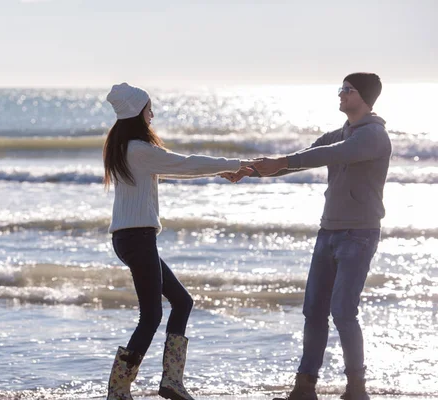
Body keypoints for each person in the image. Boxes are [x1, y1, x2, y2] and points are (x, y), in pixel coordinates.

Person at [223, 73, 391, 400]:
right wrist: (252, 169)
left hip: (359, 234)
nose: (341, 94)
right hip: (328, 232)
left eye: (348, 89)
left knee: (343, 311)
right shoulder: (341, 133)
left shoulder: (374, 136)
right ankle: (304, 387)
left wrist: (282, 161)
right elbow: (305, 157)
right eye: (341, 88)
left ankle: (357, 388)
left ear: (365, 97)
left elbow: (329, 155)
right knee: (314, 310)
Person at [103, 82, 251, 400]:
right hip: (137, 237)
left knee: (182, 302)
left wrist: (220, 172)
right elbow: (185, 163)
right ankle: (118, 389)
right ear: (136, 113)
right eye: (148, 109)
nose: (152, 114)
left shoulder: (128, 148)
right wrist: (233, 165)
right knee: (152, 315)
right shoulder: (138, 150)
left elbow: (180, 169)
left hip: (130, 237)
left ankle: (170, 380)